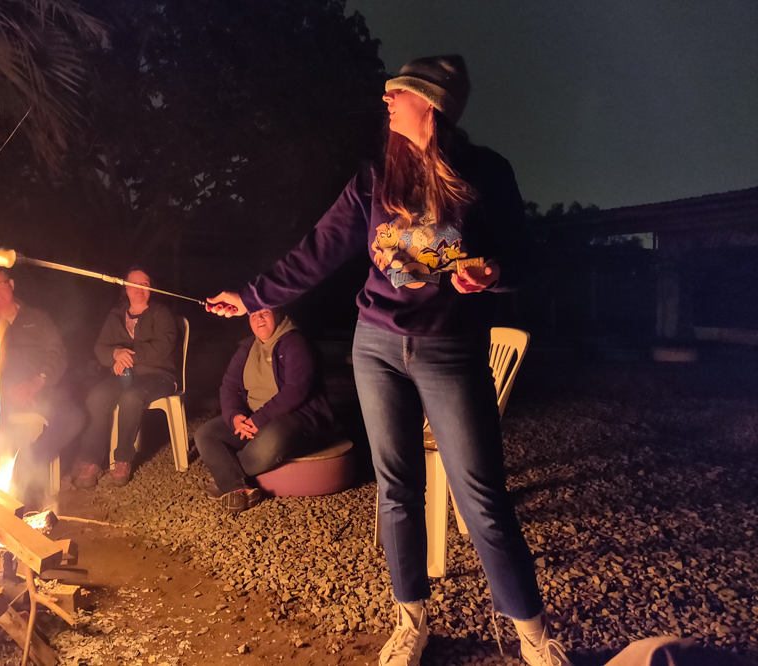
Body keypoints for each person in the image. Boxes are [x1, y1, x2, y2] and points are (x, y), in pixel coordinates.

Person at [207, 56, 570, 666]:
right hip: (374, 344)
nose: (386, 102)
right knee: (396, 489)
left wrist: (493, 273)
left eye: (394, 93)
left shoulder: (484, 173)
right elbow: (317, 250)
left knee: (481, 494)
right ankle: (411, 620)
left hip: (450, 349)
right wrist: (252, 295)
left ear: (429, 103)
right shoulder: (375, 177)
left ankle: (532, 637)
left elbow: (525, 258)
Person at [194, 308, 335, 513]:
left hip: (294, 416)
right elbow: (229, 386)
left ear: (277, 315)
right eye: (253, 315)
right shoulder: (247, 348)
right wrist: (235, 417)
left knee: (271, 441)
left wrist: (258, 420)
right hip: (252, 416)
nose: (258, 319)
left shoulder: (296, 343)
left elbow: (296, 391)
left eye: (264, 313)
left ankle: (225, 478)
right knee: (205, 434)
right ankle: (237, 488)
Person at [0, 265, 86, 510]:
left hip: (42, 389)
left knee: (73, 417)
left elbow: (58, 353)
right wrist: (7, 392)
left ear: (12, 286)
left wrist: (37, 382)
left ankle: (28, 469)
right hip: (0, 398)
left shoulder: (37, 319)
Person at [75, 268, 179, 488]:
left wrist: (129, 356)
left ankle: (122, 459)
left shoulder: (161, 314)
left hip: (158, 374)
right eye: (135, 284)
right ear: (126, 287)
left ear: (151, 288)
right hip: (123, 374)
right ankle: (91, 461)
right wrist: (114, 354)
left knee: (131, 397)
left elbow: (164, 346)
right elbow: (101, 346)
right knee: (97, 397)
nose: (140, 289)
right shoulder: (115, 315)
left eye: (145, 284)